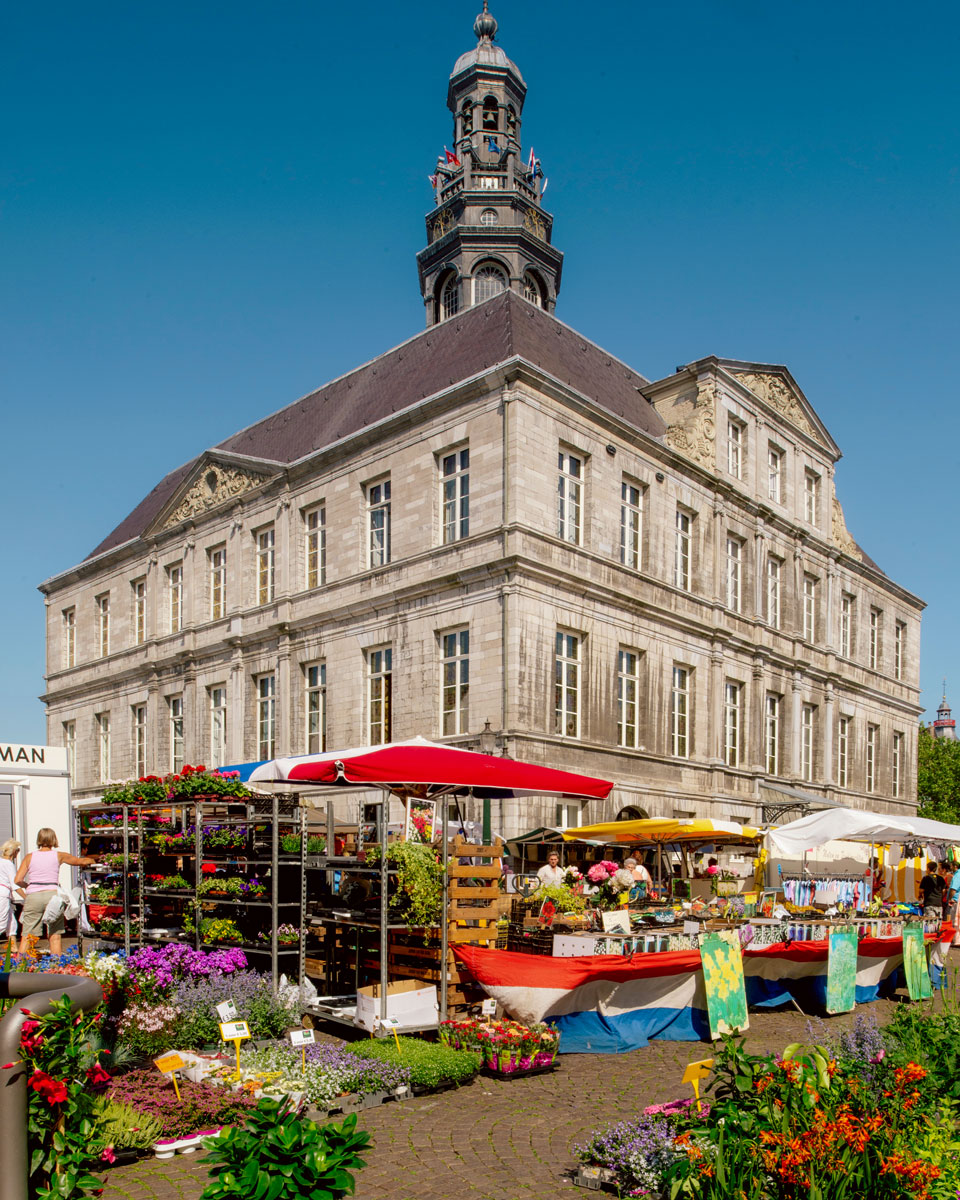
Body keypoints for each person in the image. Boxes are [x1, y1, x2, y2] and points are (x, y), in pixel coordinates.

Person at [14, 828, 97, 956]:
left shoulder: (29, 857)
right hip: (53, 896)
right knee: (55, 934)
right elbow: (79, 861)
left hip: (34, 896)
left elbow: (17, 880)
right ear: (54, 839)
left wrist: (29, 886)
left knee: (27, 935)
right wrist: (95, 859)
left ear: (39, 840)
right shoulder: (59, 855)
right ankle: (56, 966)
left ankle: (19, 967)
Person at [0, 839, 21, 948]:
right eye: (18, 850)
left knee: (10, 920)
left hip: (3, 893)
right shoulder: (8, 864)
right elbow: (15, 884)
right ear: (13, 852)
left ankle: (13, 947)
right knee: (1, 923)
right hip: (3, 894)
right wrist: (26, 897)